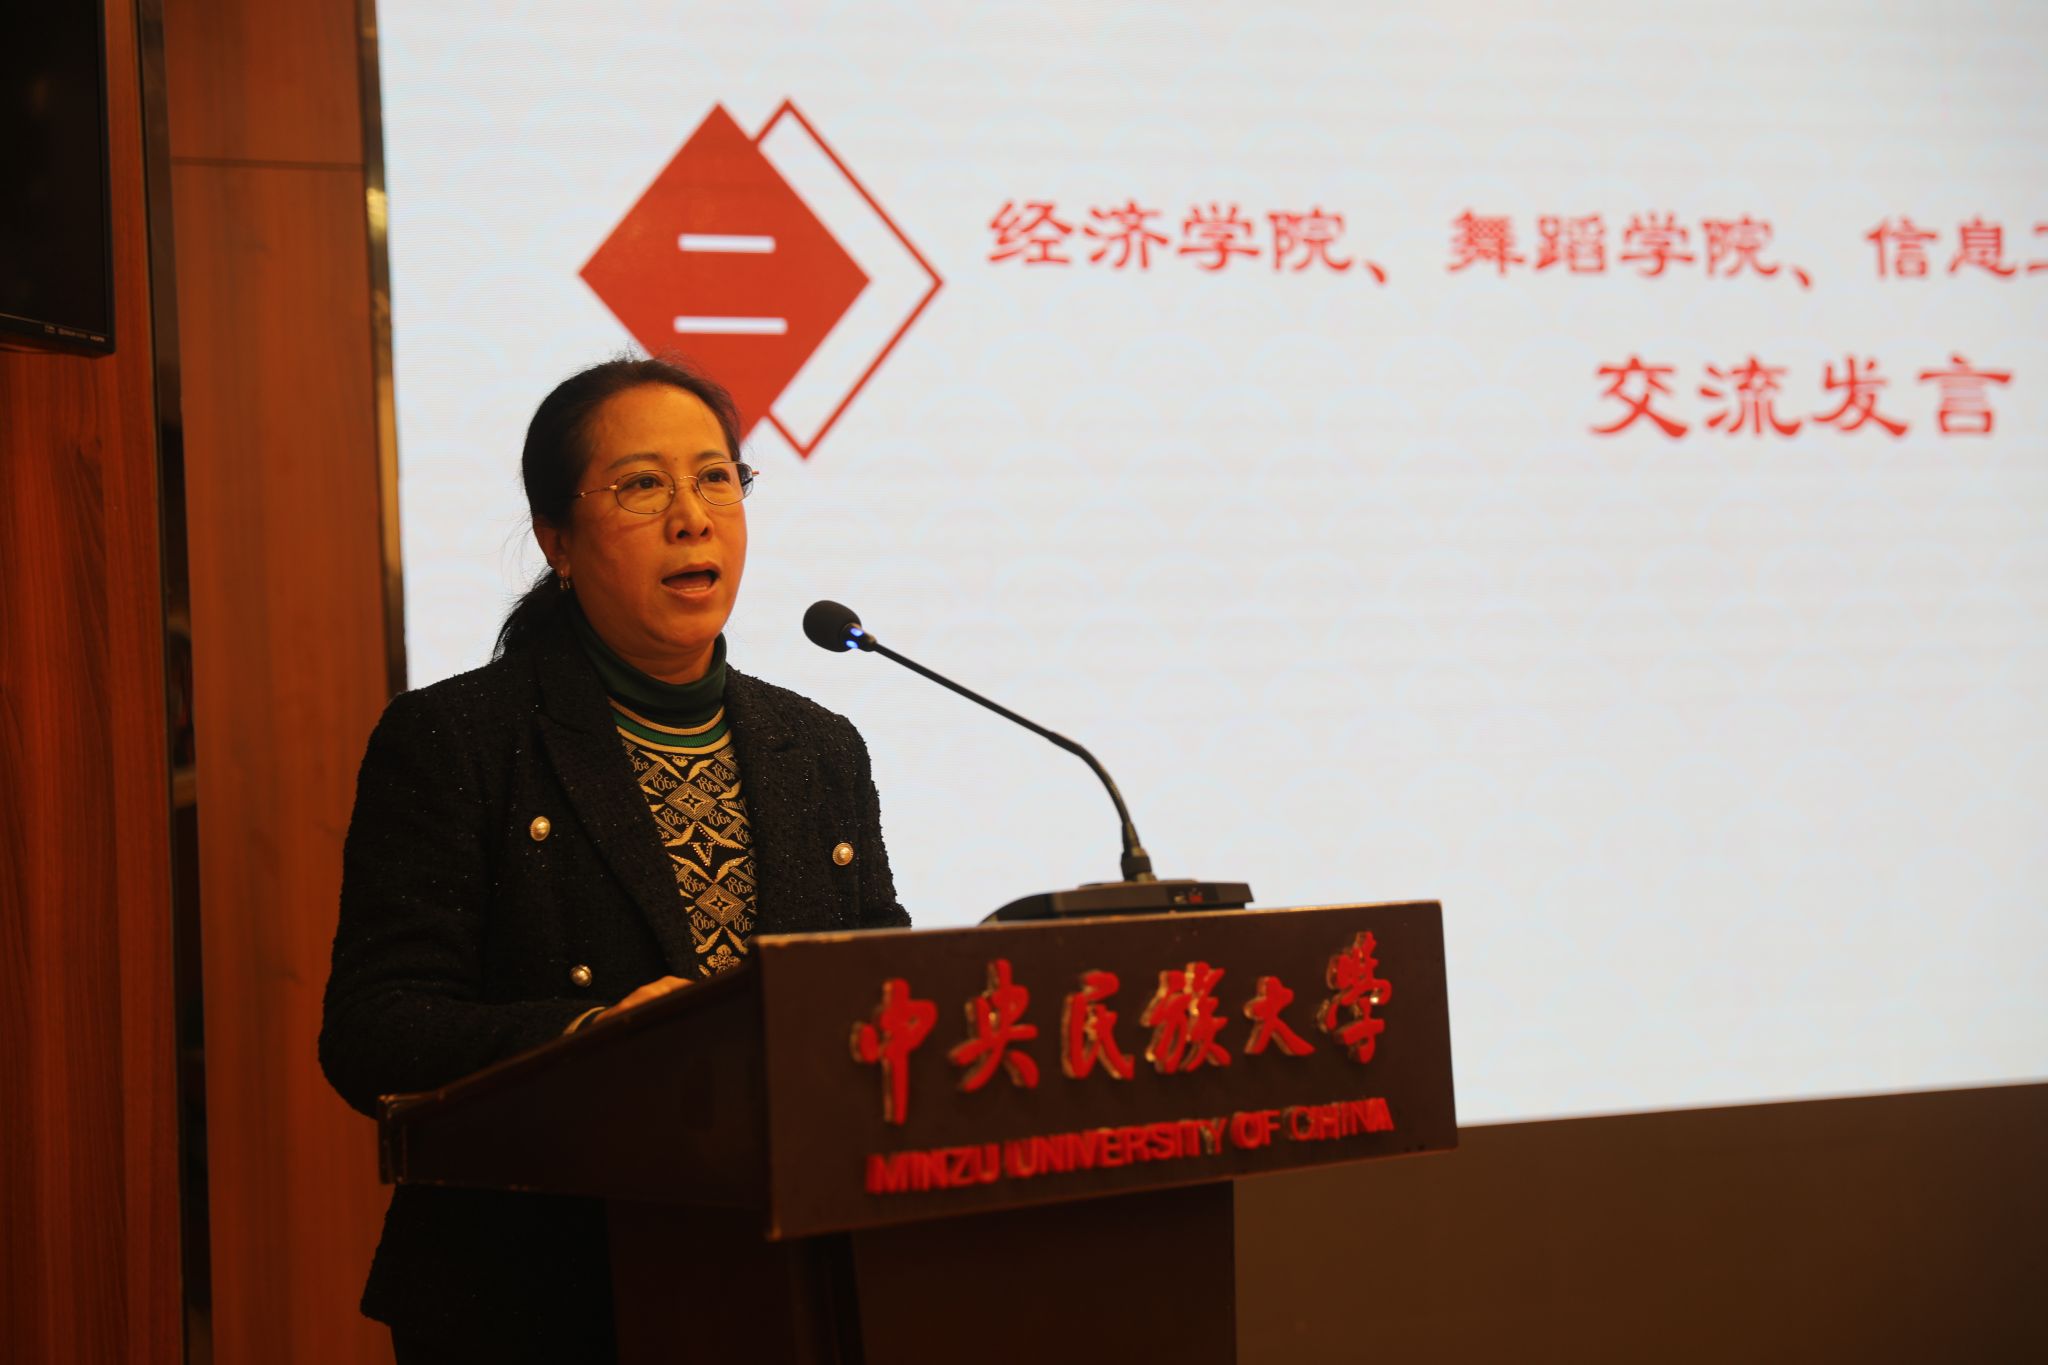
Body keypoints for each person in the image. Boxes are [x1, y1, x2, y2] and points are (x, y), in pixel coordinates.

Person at [319, 356, 910, 1365]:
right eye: (642, 485)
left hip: (786, 1276)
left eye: (716, 478)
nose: (692, 517)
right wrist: (594, 1039)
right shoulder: (459, 739)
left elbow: (872, 985)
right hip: (542, 1291)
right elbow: (376, 1031)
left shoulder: (816, 747)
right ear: (557, 539)